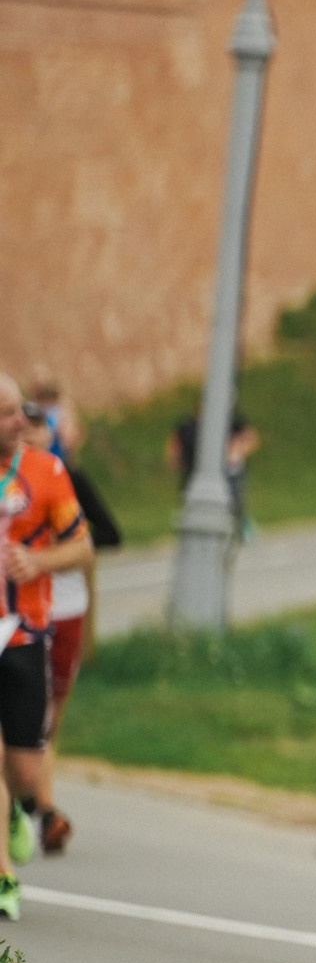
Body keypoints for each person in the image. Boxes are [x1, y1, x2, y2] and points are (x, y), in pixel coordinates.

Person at [0, 375, 95, 919]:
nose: (22, 422)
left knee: (24, 770)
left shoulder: (45, 471)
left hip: (25, 630)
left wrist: (37, 563)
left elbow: (81, 546)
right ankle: (4, 876)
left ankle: (16, 807)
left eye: (22, 412)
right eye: (9, 414)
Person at [170, 406, 261, 536]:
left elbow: (250, 436)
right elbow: (175, 443)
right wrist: (175, 458)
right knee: (191, 501)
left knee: (233, 500)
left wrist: (237, 451)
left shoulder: (228, 420)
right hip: (193, 471)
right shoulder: (187, 425)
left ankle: (240, 525)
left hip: (227, 470)